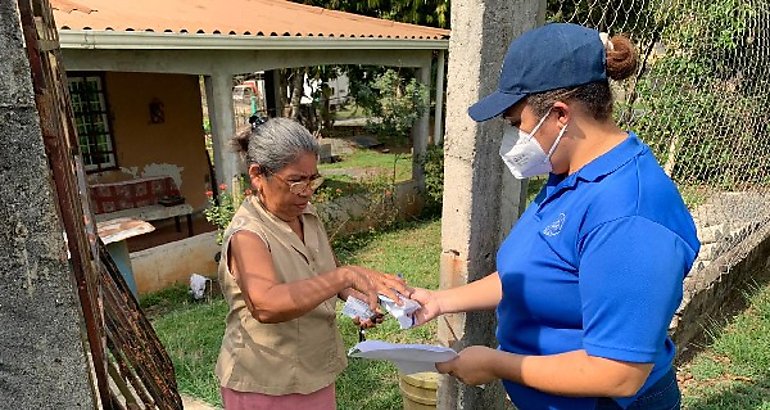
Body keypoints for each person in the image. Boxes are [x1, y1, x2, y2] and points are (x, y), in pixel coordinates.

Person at [411, 23, 700, 410]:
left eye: (517, 124)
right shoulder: (572, 173)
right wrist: (440, 300)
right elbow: (538, 272)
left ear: (560, 115)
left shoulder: (627, 214)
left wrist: (497, 363)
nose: (513, 139)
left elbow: (619, 373)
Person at [215, 117, 408, 410]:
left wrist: (355, 299)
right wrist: (344, 277)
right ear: (257, 175)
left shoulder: (307, 215)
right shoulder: (248, 234)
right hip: (267, 384)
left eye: (312, 179)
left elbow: (323, 271)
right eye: (295, 180)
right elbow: (265, 305)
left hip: (313, 373)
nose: (307, 191)